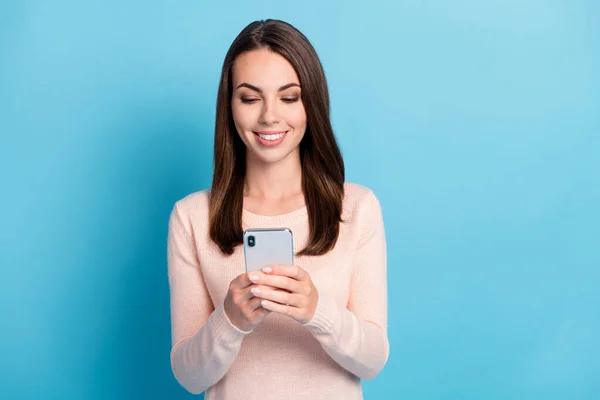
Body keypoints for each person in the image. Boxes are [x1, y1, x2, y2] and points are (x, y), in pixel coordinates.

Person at [167, 19, 389, 399]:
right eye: (250, 98)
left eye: (289, 97)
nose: (269, 116)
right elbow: (189, 377)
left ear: (311, 104)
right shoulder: (191, 217)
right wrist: (229, 321)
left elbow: (372, 361)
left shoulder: (357, 208)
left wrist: (317, 310)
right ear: (230, 106)